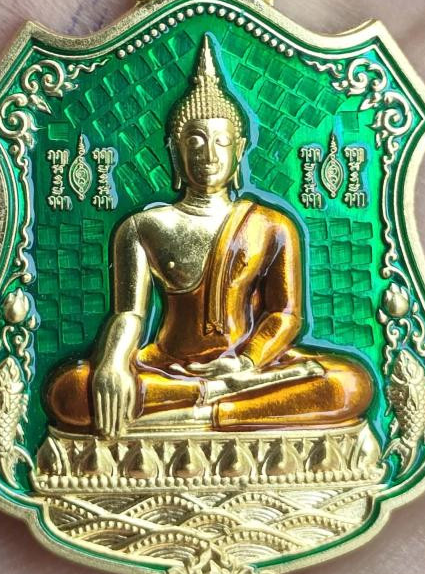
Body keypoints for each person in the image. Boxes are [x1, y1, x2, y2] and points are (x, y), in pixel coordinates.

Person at [46, 35, 373, 436]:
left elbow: (284, 315)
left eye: (221, 142)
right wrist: (113, 362)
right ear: (175, 150)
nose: (209, 154)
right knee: (70, 390)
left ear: (239, 149)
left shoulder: (271, 225)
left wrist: (247, 362)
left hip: (248, 369)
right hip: (169, 368)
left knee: (348, 384)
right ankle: (209, 396)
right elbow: (129, 314)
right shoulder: (143, 226)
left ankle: (210, 413)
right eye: (195, 141)